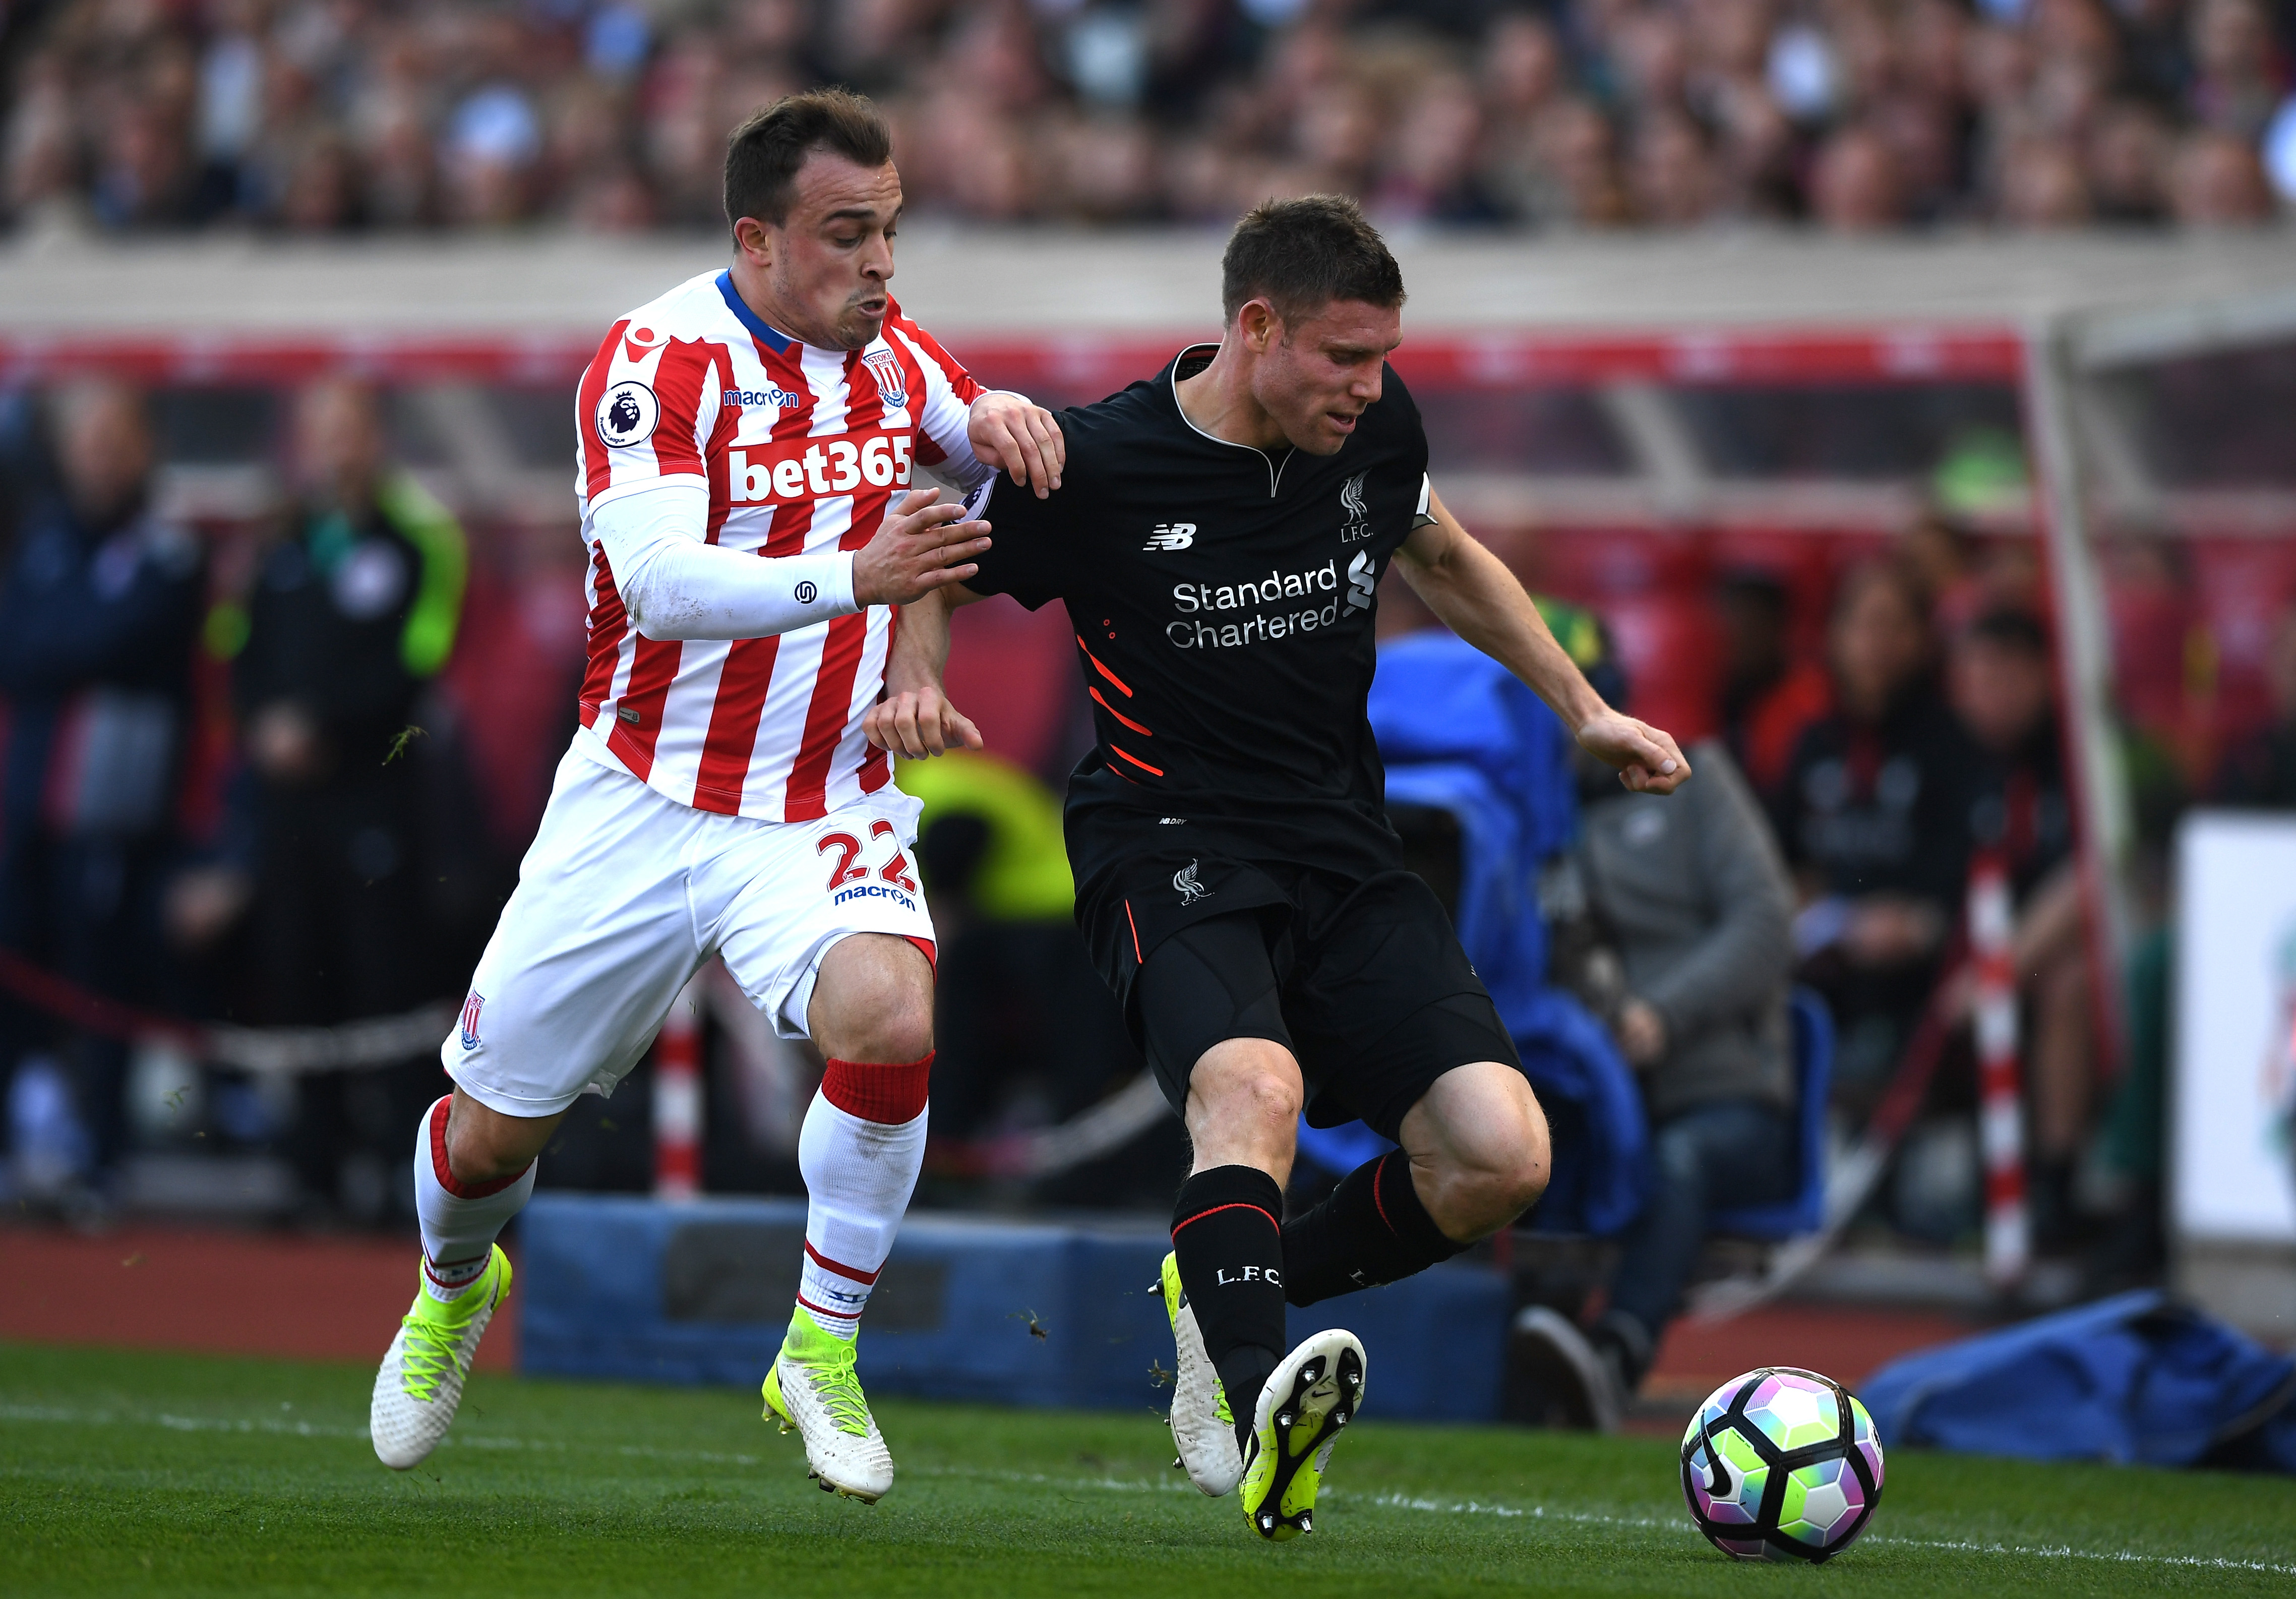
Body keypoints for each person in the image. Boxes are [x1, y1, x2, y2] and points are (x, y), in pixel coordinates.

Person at [867, 195, 1687, 1541]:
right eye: (1343, 357)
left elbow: (1443, 552)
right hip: (1165, 837)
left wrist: (1578, 707)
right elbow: (932, 548)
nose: (1370, 389)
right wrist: (911, 680)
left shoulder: (1371, 432)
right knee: (1254, 1084)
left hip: (1340, 845)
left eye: (1383, 358)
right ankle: (1253, 1409)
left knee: (1500, 1153)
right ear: (1255, 328)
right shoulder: (1102, 461)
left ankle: (1227, 1286)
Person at [366, 89, 1065, 1506]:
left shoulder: (893, 354)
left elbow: (954, 469)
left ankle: (819, 1345)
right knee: (493, 1134)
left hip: (820, 799)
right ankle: (453, 1280)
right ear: (757, 238)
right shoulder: (652, 363)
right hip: (642, 793)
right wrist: (859, 582)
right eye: (846, 235)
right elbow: (663, 586)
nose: (879, 264)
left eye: (891, 232)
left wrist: (995, 424)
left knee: (890, 1014)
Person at [227, 377, 472, 1216]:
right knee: (296, 980)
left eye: (350, 429)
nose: (335, 447)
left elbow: (422, 659)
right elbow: (239, 646)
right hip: (289, 806)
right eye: (320, 430)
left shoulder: (417, 539)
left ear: (378, 438)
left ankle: (398, 1186)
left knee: (385, 985)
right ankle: (310, 1174)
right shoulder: (284, 541)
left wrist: (322, 724)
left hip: (375, 800)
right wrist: (263, 724)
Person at [1520, 739, 1797, 1429]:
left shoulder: (1698, 781)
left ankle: (1614, 1357)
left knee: (1678, 1159)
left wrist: (1662, 1015)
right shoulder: (1527, 815)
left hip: (1730, 1100)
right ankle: (1517, 1364)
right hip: (1596, 1101)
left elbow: (1766, 924)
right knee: (1510, 1144)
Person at [0, 377, 204, 1206]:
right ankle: (25, 1139)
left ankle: (102, 1157)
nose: (100, 458)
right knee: (21, 972)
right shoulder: (43, 542)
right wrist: (73, 640)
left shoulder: (167, 549)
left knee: (101, 982)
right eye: (89, 441)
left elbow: (128, 634)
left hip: (117, 809)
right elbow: (21, 646)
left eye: (116, 440)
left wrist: (65, 640)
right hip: (31, 801)